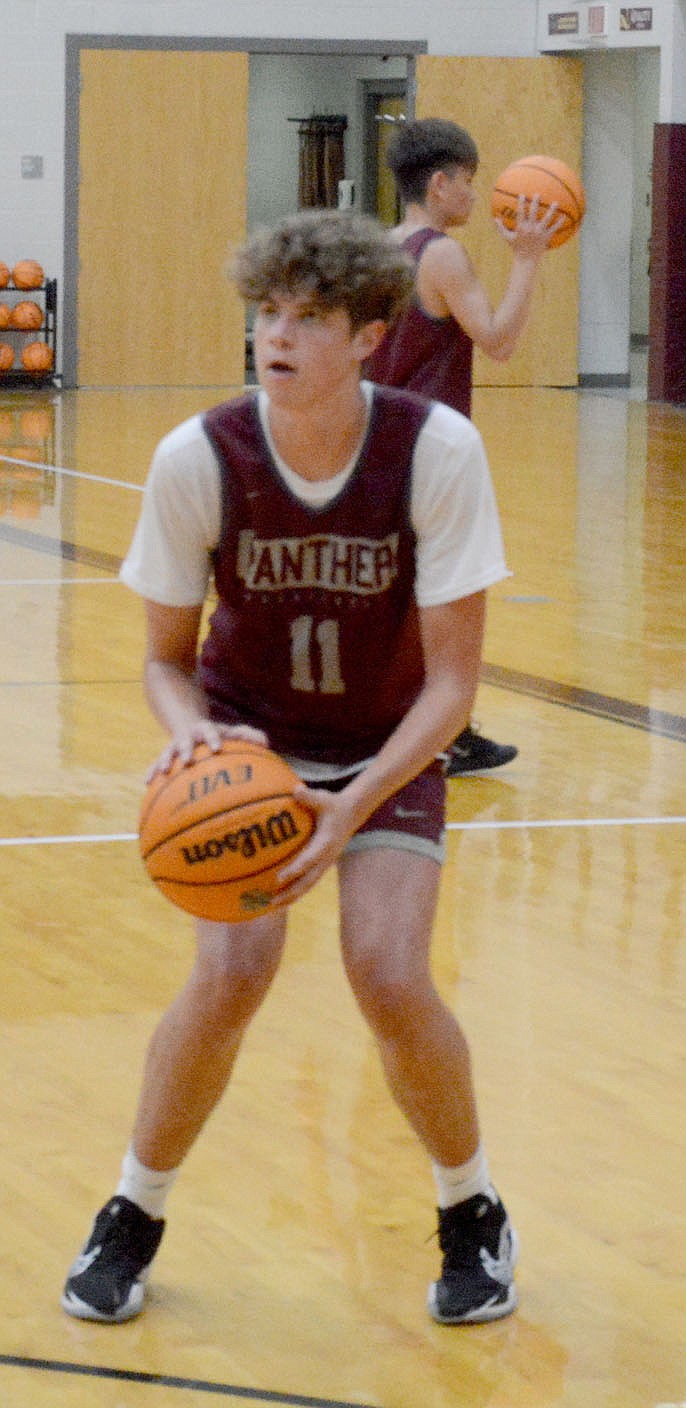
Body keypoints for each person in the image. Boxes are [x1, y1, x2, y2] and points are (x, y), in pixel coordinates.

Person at [62, 209, 518, 1329]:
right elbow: (165, 663)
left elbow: (453, 686)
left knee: (388, 972)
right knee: (229, 975)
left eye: (308, 317)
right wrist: (194, 737)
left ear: (368, 335)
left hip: (385, 745)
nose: (277, 335)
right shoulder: (198, 456)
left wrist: (353, 800)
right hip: (247, 743)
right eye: (266, 313)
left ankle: (472, 1210)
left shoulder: (434, 450)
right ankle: (133, 1208)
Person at [366, 117, 561, 778]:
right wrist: (528, 261)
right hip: (434, 447)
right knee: (448, 595)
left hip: (380, 438)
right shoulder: (440, 254)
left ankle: (420, 725)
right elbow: (499, 340)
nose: (477, 197)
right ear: (441, 182)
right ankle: (438, 733)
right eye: (470, 183)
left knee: (405, 590)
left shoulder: (381, 247)